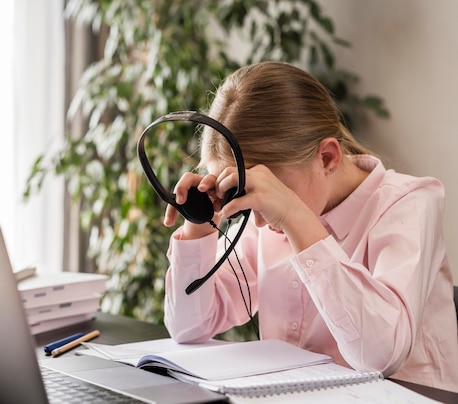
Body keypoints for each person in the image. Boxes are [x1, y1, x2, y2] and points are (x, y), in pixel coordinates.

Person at [162, 61, 458, 393]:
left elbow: (380, 358)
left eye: (267, 191)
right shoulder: (263, 218)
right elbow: (189, 329)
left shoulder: (410, 203)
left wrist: (295, 218)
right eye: (239, 190)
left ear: (328, 158)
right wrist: (199, 226)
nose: (259, 218)